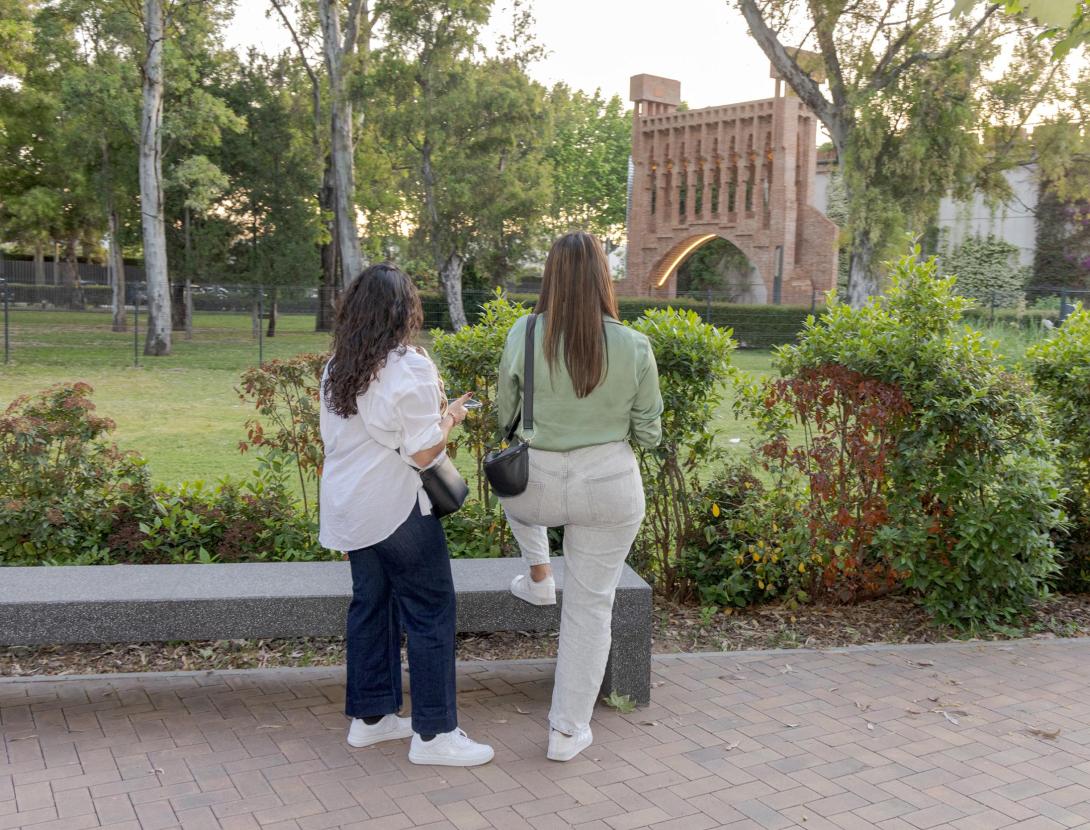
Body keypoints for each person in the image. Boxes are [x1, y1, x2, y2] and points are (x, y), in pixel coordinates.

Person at [496, 231, 663, 762]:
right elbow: (650, 433)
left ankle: (539, 574)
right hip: (609, 488)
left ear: (550, 275)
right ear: (602, 278)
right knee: (591, 608)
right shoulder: (634, 345)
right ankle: (567, 732)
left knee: (513, 493)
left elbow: (506, 414)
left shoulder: (524, 332)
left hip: (535, 489)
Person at [319, 263, 493, 767]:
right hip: (396, 509)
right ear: (404, 311)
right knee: (431, 609)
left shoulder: (338, 365)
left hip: (350, 506)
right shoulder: (409, 367)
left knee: (371, 606)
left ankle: (371, 720)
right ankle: (435, 734)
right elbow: (422, 452)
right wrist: (451, 417)